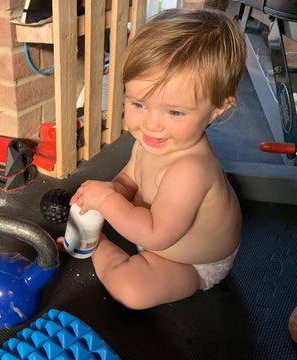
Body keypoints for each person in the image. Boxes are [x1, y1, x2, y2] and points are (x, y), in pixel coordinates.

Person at [57, 8, 246, 309]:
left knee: (131, 291)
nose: (151, 124)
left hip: (192, 261)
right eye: (139, 104)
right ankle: (90, 238)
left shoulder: (190, 169)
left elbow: (156, 236)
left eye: (174, 112)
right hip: (156, 230)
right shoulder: (154, 141)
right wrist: (110, 192)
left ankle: (95, 247)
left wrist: (106, 203)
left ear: (217, 109)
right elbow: (130, 178)